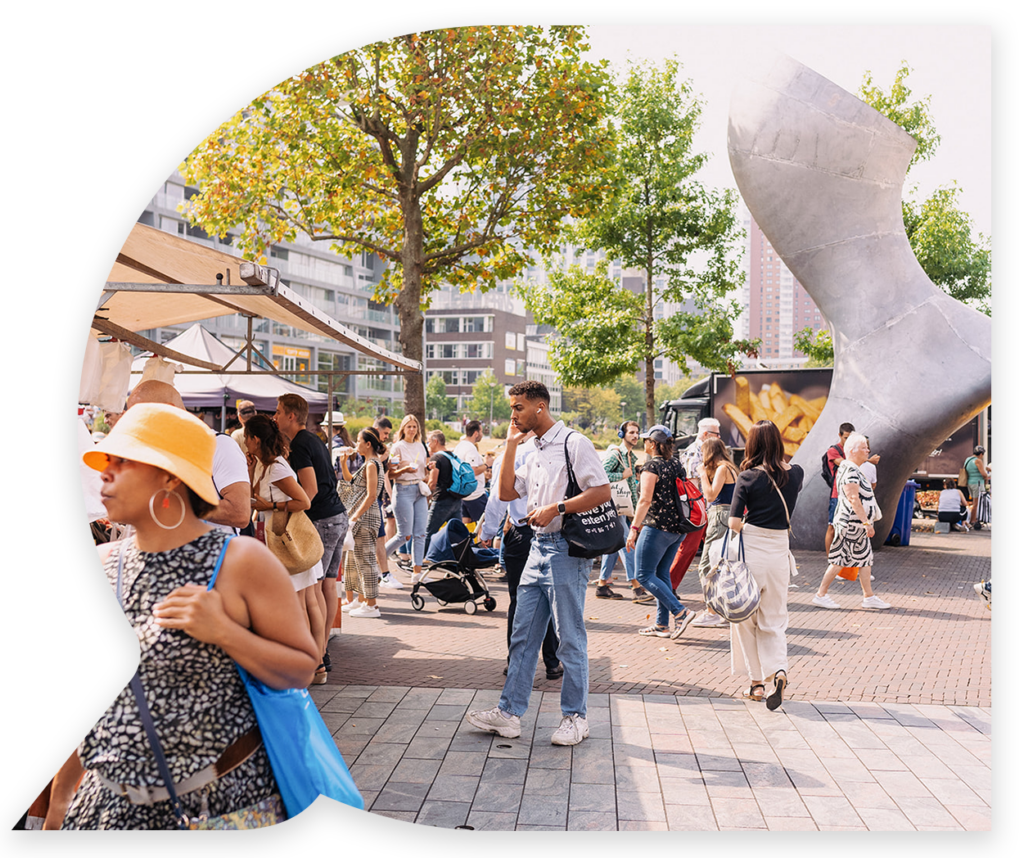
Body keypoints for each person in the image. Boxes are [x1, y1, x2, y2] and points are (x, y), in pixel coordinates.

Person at [49, 403, 318, 830]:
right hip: (104, 810)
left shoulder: (239, 560)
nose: (105, 473)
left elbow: (303, 668)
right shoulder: (105, 562)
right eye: (106, 460)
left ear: (170, 475)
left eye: (122, 462)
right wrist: (61, 801)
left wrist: (227, 633)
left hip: (218, 808)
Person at [465, 380, 610, 746]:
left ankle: (576, 717)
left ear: (539, 407)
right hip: (537, 549)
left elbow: (601, 491)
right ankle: (509, 713)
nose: (513, 414)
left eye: (518, 407)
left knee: (570, 638)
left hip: (565, 549)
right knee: (523, 634)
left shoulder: (574, 443)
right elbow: (506, 492)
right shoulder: (532, 446)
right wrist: (512, 446)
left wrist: (557, 508)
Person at [727, 420, 804, 710]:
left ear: (752, 444)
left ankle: (757, 683)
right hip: (780, 554)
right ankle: (779, 670)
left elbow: (734, 523)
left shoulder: (747, 477)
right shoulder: (796, 473)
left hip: (751, 555)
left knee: (744, 619)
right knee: (774, 619)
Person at [274, 394, 349, 680]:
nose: (276, 417)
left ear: (292, 415)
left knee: (314, 587)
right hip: (336, 516)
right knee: (327, 585)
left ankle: (316, 653)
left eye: (280, 412)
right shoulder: (314, 440)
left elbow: (310, 489)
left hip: (322, 518)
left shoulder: (301, 444)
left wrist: (290, 506)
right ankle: (321, 648)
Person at [479, 437, 562, 681]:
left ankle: (514, 661)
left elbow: (497, 497)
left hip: (521, 532)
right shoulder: (554, 448)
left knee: (518, 600)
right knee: (547, 599)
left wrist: (488, 531)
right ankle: (552, 661)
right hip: (548, 531)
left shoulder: (511, 454)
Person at [127, 381, 252, 535]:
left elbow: (239, 514)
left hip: (213, 556)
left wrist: (174, 503)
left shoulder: (219, 446)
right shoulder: (158, 452)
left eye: (140, 418)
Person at [625, 425, 698, 640]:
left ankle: (681, 612)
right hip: (678, 528)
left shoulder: (651, 467)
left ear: (654, 444)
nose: (643, 441)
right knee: (661, 574)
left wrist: (634, 529)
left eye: (647, 439)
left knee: (643, 575)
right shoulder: (675, 463)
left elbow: (645, 500)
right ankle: (662, 625)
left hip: (656, 527)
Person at [813, 433, 892, 611]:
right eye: (863, 448)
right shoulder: (850, 470)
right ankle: (821, 594)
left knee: (864, 559)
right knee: (839, 560)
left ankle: (868, 596)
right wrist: (866, 523)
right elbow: (853, 498)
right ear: (852, 451)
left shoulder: (852, 468)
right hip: (851, 524)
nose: (868, 450)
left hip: (854, 524)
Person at [338, 429, 387, 618]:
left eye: (358, 441)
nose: (355, 444)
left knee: (365, 560)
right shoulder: (369, 463)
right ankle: (366, 601)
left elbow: (372, 494)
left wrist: (355, 516)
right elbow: (353, 483)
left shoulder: (371, 464)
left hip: (366, 518)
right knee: (361, 560)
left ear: (368, 444)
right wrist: (344, 465)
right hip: (365, 517)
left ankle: (372, 605)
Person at [667, 418, 720, 594]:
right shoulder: (695, 452)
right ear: (705, 434)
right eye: (716, 434)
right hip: (698, 510)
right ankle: (669, 586)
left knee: (712, 548)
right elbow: (691, 484)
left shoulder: (701, 450)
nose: (720, 437)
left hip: (704, 508)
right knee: (688, 549)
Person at [595, 421, 644, 601]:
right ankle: (636, 586)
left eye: (637, 433)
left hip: (624, 509)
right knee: (627, 544)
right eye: (631, 432)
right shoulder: (616, 454)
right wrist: (621, 475)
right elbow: (600, 475)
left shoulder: (631, 456)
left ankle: (601, 585)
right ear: (622, 435)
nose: (635, 436)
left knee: (615, 547)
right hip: (613, 509)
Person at [692, 437, 738, 627]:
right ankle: (725, 610)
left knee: (707, 566)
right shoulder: (732, 467)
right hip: (730, 516)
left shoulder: (722, 468)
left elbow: (711, 495)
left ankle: (712, 611)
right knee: (724, 565)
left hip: (720, 515)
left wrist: (703, 474)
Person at [384, 415, 430, 584]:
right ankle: (379, 559)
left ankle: (417, 573)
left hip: (419, 489)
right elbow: (391, 473)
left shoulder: (420, 446)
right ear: (403, 429)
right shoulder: (397, 447)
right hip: (403, 489)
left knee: (421, 534)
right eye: (408, 426)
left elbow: (424, 472)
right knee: (405, 535)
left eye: (414, 426)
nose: (412, 429)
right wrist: (404, 469)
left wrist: (428, 469)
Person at [424, 430, 465, 542]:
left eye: (429, 442)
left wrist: (425, 496)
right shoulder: (453, 456)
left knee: (428, 532)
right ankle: (459, 557)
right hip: (456, 499)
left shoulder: (436, 458)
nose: (428, 445)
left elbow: (432, 483)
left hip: (441, 501)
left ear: (435, 441)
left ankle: (420, 558)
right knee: (457, 534)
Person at [453, 420, 489, 525]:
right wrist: (486, 465)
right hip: (475, 495)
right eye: (481, 431)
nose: (482, 434)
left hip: (463, 494)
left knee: (466, 525)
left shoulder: (459, 446)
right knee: (484, 525)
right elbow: (473, 470)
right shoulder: (470, 448)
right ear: (476, 433)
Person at [964, 446, 989, 529]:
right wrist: (987, 478)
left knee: (975, 502)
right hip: (977, 484)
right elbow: (984, 474)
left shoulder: (968, 459)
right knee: (976, 503)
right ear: (981, 454)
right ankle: (973, 521)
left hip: (970, 483)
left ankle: (973, 519)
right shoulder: (978, 461)